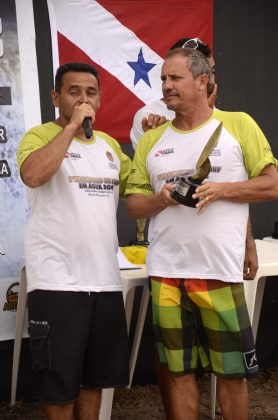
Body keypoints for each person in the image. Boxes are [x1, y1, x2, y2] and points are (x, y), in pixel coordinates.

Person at [125, 48, 278, 420]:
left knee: (232, 374)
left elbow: (272, 185)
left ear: (202, 81)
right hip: (166, 274)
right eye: (163, 78)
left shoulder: (238, 124)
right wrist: (161, 199)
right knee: (177, 373)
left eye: (175, 78)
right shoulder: (151, 139)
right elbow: (133, 205)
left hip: (218, 273)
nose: (166, 85)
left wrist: (222, 189)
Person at [17, 62, 131, 420]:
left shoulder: (111, 146)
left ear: (99, 99)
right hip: (57, 282)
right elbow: (33, 175)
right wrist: (69, 128)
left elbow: (139, 193)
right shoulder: (38, 136)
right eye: (74, 91)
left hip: (105, 281)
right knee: (59, 383)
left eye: (91, 92)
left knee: (94, 380)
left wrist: (149, 136)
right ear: (56, 97)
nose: (84, 99)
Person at [130, 37, 258, 281]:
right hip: (168, 263)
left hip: (219, 264)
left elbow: (236, 181)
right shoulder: (150, 119)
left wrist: (247, 242)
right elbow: (141, 197)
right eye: (168, 77)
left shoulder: (231, 121)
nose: (168, 84)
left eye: (210, 69)